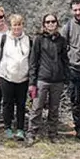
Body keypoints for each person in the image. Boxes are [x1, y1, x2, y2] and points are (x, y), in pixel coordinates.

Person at [26, 14, 68, 145]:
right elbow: (33, 61)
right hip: (42, 78)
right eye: (48, 22)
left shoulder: (61, 40)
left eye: (53, 21)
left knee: (54, 108)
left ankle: (53, 133)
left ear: (57, 23)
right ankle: (32, 133)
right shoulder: (39, 39)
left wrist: (66, 76)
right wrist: (32, 81)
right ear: (44, 24)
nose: (51, 24)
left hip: (57, 79)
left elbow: (65, 60)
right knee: (37, 107)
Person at [0, 14, 30, 141]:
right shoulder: (4, 38)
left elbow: (31, 60)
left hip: (23, 78)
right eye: (14, 25)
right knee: (7, 103)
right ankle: (7, 127)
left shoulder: (28, 40)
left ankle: (20, 129)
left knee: (21, 104)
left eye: (19, 24)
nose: (17, 27)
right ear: (11, 26)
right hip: (6, 76)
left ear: (22, 25)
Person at [61, 0, 80, 140]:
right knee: (75, 99)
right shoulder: (68, 27)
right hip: (74, 67)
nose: (78, 12)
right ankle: (79, 127)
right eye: (75, 10)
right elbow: (62, 46)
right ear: (72, 11)